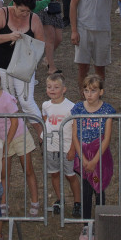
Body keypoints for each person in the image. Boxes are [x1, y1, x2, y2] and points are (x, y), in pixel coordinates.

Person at [0, 0, 44, 206]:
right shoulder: (2, 13)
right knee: (7, 104)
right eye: (22, 10)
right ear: (14, 5)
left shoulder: (34, 19)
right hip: (2, 65)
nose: (24, 13)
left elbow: (41, 44)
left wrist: (28, 47)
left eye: (28, 11)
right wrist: (9, 36)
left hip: (24, 66)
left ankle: (41, 133)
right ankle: (6, 134)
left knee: (26, 101)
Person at [67, 73, 115, 234]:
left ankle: (100, 223)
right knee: (86, 190)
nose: (89, 94)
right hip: (83, 155)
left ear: (101, 92)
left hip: (99, 156)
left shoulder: (107, 110)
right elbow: (75, 135)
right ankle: (86, 225)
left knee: (99, 189)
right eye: (86, 90)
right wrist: (82, 157)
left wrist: (94, 160)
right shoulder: (78, 108)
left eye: (93, 91)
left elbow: (107, 138)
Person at [42, 72, 80, 218]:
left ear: (64, 89)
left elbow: (75, 129)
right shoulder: (46, 105)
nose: (52, 90)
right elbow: (45, 118)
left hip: (66, 148)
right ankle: (60, 199)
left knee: (70, 175)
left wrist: (72, 149)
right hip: (51, 147)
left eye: (56, 87)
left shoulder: (71, 107)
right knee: (54, 174)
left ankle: (77, 202)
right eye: (49, 87)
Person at [39, 0, 67, 73]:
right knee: (50, 39)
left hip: (55, 10)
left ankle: (47, 58)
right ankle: (51, 67)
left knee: (59, 38)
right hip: (45, 11)